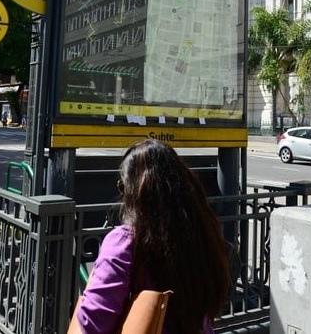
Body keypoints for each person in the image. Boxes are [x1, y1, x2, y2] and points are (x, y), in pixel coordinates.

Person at [73, 139, 229, 334]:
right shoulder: (204, 237)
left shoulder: (125, 243)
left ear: (136, 192)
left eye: (123, 187)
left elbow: (91, 323)